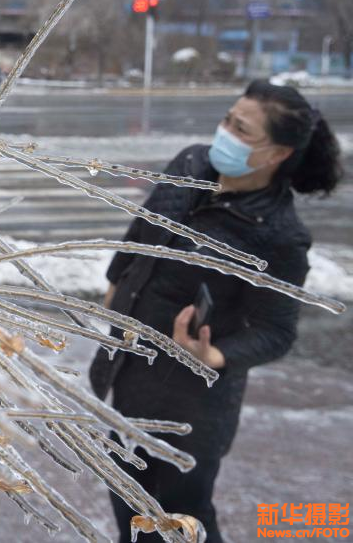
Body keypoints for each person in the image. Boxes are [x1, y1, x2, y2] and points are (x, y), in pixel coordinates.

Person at [88, 80, 344, 543]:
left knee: (180, 521)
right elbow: (143, 229)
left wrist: (215, 356)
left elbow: (276, 331)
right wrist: (115, 284)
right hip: (125, 371)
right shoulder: (190, 161)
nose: (223, 132)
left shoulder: (280, 235)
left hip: (191, 408)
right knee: (128, 504)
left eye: (241, 129)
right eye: (228, 119)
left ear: (277, 154)